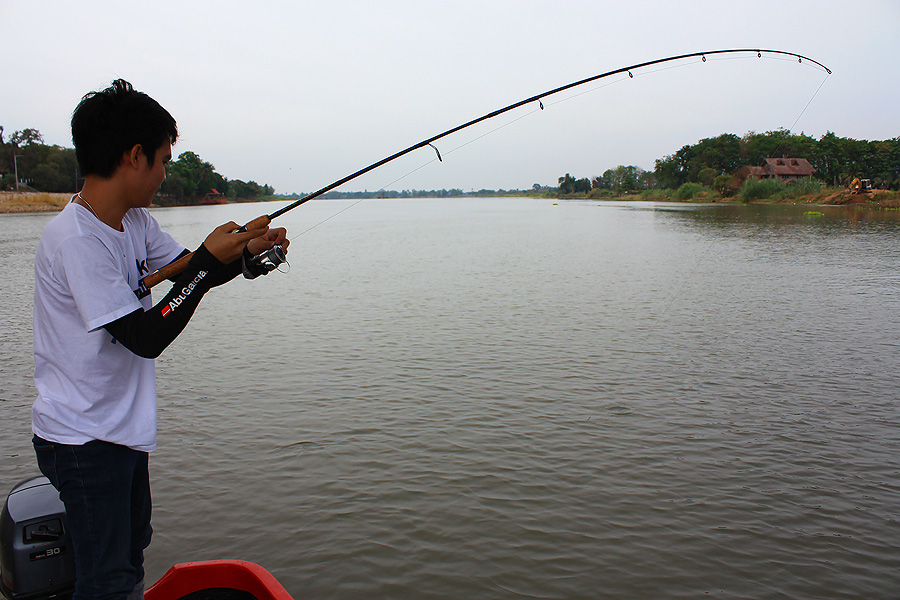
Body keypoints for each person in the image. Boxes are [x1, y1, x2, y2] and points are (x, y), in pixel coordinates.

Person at [30, 79, 288, 600]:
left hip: (119, 430)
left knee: (129, 552)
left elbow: (192, 272)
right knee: (109, 581)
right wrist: (208, 265)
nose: (166, 172)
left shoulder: (133, 223)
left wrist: (245, 255)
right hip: (82, 438)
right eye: (164, 160)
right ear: (135, 155)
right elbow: (144, 336)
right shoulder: (78, 241)